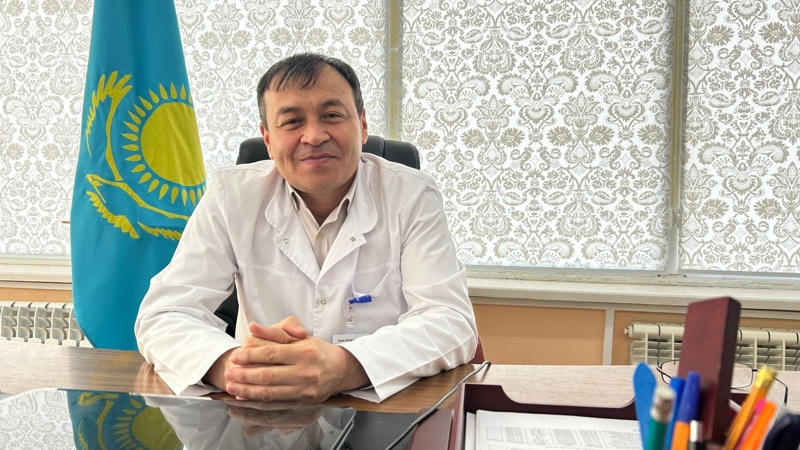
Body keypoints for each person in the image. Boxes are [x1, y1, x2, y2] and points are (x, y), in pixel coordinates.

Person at [134, 52, 477, 403]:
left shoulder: (411, 194)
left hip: (382, 411)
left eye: (331, 115)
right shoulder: (229, 197)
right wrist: (239, 369)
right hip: (260, 412)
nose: (313, 136)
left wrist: (345, 365)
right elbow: (164, 314)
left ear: (362, 125)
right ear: (267, 139)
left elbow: (450, 321)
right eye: (292, 121)